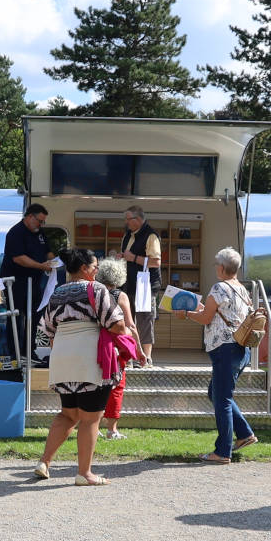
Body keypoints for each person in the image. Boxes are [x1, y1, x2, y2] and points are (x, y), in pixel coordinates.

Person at [33, 248, 127, 485]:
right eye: (95, 266)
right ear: (84, 268)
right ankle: (84, 473)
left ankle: (44, 462)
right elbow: (117, 324)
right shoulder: (97, 289)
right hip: (90, 357)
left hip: (62, 357)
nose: (97, 270)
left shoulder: (57, 293)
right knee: (90, 418)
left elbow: (47, 330)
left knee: (68, 414)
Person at [177, 247, 257, 463]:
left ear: (221, 267)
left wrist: (186, 314)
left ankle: (222, 452)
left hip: (225, 349)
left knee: (222, 400)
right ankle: (245, 434)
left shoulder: (219, 287)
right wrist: (202, 310)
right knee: (216, 393)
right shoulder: (242, 289)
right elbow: (218, 314)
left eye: (216, 265)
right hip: (241, 348)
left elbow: (205, 318)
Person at [0, 204, 56, 356]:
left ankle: (29, 351)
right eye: (39, 221)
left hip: (35, 283)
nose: (41, 224)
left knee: (34, 317)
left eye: (43, 222)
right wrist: (41, 266)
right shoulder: (15, 233)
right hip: (16, 283)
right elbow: (19, 258)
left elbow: (47, 252)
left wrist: (54, 262)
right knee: (16, 317)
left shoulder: (39, 233)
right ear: (29, 217)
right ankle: (15, 353)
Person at [95, 257, 137, 440]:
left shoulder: (93, 293)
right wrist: (140, 351)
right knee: (116, 386)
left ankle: (93, 427)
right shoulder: (120, 296)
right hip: (115, 347)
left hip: (96, 343)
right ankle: (112, 430)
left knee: (95, 386)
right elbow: (130, 325)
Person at [120, 206, 162, 367]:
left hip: (146, 286)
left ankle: (147, 357)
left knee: (145, 319)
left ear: (137, 219)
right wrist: (122, 256)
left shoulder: (151, 236)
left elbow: (156, 262)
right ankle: (130, 355)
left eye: (128, 219)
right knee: (128, 319)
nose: (126, 222)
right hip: (129, 283)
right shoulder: (127, 235)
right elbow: (128, 256)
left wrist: (133, 258)